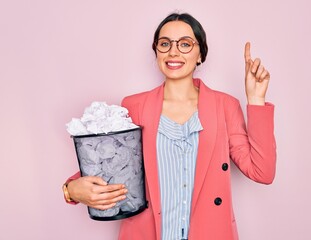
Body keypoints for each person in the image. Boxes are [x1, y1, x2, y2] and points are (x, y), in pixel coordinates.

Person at [63, 12, 276, 240]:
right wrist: (71, 189)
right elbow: (113, 166)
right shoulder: (135, 106)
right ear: (156, 52)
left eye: (185, 44)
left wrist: (255, 100)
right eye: (165, 44)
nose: (173, 51)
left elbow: (262, 171)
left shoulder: (224, 106)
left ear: (200, 55)